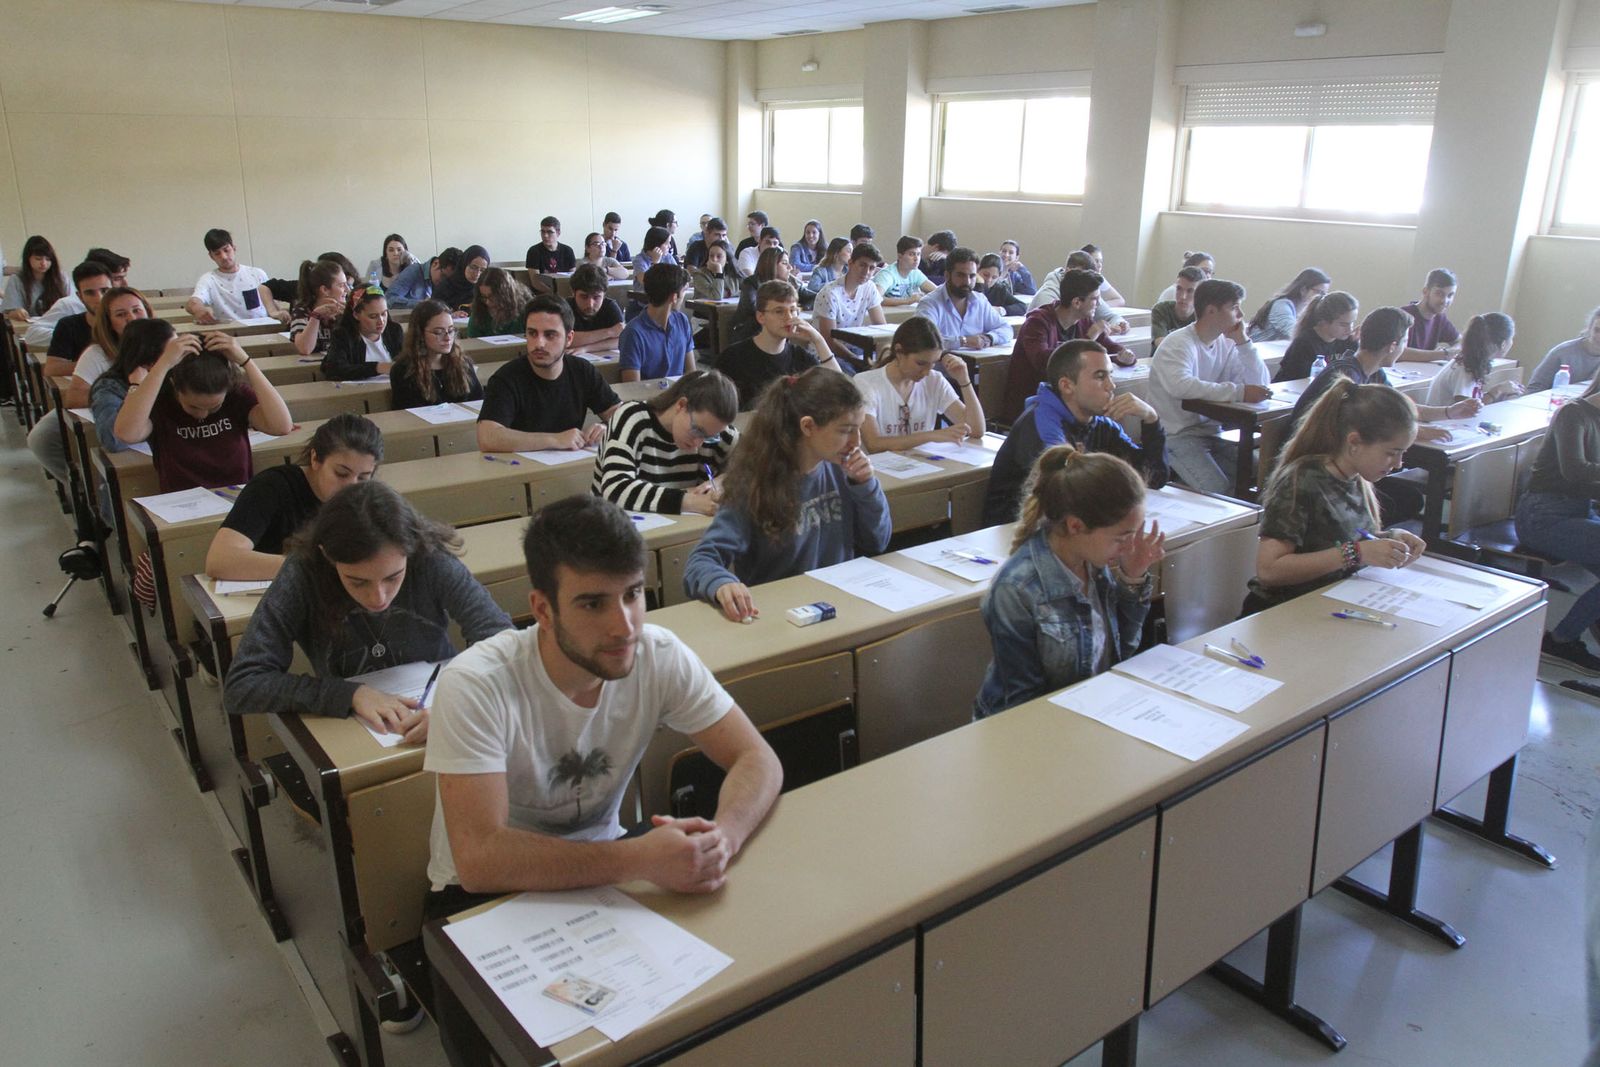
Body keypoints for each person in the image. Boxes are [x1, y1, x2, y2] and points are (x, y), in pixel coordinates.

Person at [422, 494, 781, 1065]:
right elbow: (480, 858)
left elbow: (757, 759)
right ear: (543, 609)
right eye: (593, 603)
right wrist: (639, 859)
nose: (624, 625)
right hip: (482, 898)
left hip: (605, 869)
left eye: (633, 594)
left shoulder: (657, 654)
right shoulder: (477, 684)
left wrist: (724, 839)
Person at [224, 479, 512, 746]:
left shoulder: (429, 557)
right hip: (352, 728)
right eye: (358, 581)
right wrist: (349, 694)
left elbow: (505, 644)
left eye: (393, 577)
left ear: (410, 550)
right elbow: (242, 685)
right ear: (327, 555)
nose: (378, 597)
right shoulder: (302, 572)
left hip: (437, 708)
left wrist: (460, 705)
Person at [683, 369, 891, 621]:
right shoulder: (756, 485)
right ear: (808, 426)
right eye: (845, 430)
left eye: (858, 429)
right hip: (782, 616)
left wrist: (866, 487)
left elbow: (877, 542)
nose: (856, 442)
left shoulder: (844, 471)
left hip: (838, 605)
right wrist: (722, 583)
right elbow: (701, 560)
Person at [973, 449, 1165, 719]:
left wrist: (1132, 576)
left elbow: (1120, 652)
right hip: (1035, 725)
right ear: (1076, 526)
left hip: (1089, 710)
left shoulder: (1093, 564)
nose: (1129, 547)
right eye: (1122, 538)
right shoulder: (1016, 589)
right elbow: (1022, 707)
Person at [1243, 381, 1427, 614]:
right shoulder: (1301, 480)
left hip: (1327, 602)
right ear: (1354, 442)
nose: (1399, 464)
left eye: (1402, 453)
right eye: (1391, 453)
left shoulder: (1355, 477)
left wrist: (1389, 540)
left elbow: (1339, 539)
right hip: (1281, 610)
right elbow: (1270, 570)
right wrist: (1357, 553)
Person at [984, 340, 1168, 526]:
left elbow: (1155, 478)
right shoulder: (1040, 424)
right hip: (1016, 529)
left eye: (1110, 375)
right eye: (1100, 376)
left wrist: (1151, 419)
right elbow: (1065, 494)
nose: (1111, 386)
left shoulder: (1102, 425)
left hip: (1070, 524)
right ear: (1067, 386)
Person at [205, 414, 384, 580]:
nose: (351, 486)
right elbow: (219, 560)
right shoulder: (271, 487)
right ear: (315, 459)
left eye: (363, 478)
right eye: (341, 473)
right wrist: (316, 567)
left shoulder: (367, 499)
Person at [1149, 278, 1272, 495]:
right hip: (1176, 435)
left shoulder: (1228, 342)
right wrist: (1239, 392)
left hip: (1212, 432)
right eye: (1234, 308)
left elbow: (1259, 385)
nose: (1241, 314)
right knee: (1219, 490)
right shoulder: (1178, 343)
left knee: (1262, 474)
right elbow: (1181, 386)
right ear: (1211, 311)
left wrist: (1244, 343)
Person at [1514, 375, 1600, 674]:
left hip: (1578, 510)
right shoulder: (1573, 413)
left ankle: (1566, 637)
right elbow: (1575, 471)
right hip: (1543, 516)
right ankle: (1560, 640)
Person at [1291, 305, 1479, 436]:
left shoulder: (1375, 372)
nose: (1404, 349)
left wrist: (1449, 412)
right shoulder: (1347, 376)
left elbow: (1402, 408)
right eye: (1404, 342)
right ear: (1392, 346)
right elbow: (1359, 428)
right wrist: (1417, 432)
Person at [476, 294, 621, 453]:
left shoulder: (583, 371)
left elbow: (621, 414)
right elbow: (488, 437)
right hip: (520, 465)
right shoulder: (506, 378)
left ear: (569, 338)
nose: (539, 343)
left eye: (550, 335)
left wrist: (606, 427)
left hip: (569, 463)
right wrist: (555, 439)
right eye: (532, 333)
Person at [594, 370, 739, 516]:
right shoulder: (632, 418)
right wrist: (688, 501)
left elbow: (753, 465)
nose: (698, 443)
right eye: (697, 430)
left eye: (710, 437)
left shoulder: (714, 429)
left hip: (682, 527)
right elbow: (615, 489)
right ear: (681, 405)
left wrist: (724, 481)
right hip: (612, 523)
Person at [1002, 268, 1127, 425]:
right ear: (1076, 302)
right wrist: (1089, 338)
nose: (1099, 304)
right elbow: (1043, 362)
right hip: (1034, 404)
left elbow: (1110, 348)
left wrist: (1125, 355)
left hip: (1069, 401)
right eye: (1095, 299)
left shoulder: (1084, 321)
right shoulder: (1037, 322)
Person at [855, 316, 983, 452]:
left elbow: (976, 430)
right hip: (878, 465)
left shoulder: (934, 380)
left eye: (933, 364)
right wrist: (932, 436)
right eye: (921, 363)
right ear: (899, 352)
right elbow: (874, 444)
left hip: (919, 462)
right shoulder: (866, 383)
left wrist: (964, 381)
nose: (927, 372)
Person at [717, 280, 838, 409]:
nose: (789, 317)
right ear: (761, 317)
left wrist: (818, 340)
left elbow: (839, 390)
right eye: (779, 311)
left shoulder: (802, 358)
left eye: (793, 310)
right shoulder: (732, 358)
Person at [915, 247, 1014, 355]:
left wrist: (989, 338)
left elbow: (1006, 329)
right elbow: (926, 340)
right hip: (942, 364)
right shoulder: (930, 303)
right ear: (947, 275)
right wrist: (964, 341)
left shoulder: (980, 301)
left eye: (972, 276)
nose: (967, 282)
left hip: (976, 363)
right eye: (961, 275)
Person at [391, 299, 484, 409]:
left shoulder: (463, 363)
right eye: (438, 332)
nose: (447, 338)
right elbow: (406, 413)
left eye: (451, 330)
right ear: (420, 334)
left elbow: (478, 402)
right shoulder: (404, 370)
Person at [185, 228, 286, 325]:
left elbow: (274, 305)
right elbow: (193, 302)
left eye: (226, 250)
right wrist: (199, 309)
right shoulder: (208, 279)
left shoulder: (257, 274)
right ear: (211, 256)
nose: (224, 257)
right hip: (229, 333)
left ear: (234, 248)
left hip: (264, 330)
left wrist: (280, 313)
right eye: (217, 253)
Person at [813, 243, 888, 371]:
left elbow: (882, 328)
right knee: (851, 374)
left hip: (854, 347)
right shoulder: (830, 294)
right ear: (851, 263)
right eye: (862, 265)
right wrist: (856, 360)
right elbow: (829, 340)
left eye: (871, 268)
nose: (866, 272)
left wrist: (884, 360)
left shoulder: (869, 288)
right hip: (825, 352)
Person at [1425, 312, 1523, 406]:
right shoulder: (1464, 368)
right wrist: (1497, 391)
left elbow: (1473, 401)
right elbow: (1466, 409)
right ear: (1503, 344)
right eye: (1511, 339)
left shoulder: (1473, 361)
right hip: (1444, 418)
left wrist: (1500, 395)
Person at [619, 263, 696, 382]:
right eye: (684, 291)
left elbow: (691, 374)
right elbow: (632, 387)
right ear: (674, 297)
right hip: (647, 393)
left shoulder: (682, 321)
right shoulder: (633, 333)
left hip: (679, 392)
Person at [24, 253, 119, 349]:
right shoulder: (68, 305)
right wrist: (72, 336)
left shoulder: (125, 306)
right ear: (79, 296)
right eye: (90, 293)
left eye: (105, 291)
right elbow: (32, 335)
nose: (99, 298)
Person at [1027, 250, 1128, 332]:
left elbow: (1110, 316)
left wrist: (1119, 324)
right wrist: (1092, 334)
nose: (1086, 283)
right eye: (1083, 278)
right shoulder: (1047, 296)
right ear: (1069, 272)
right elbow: (1057, 332)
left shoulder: (1087, 291)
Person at [1275, 291, 1359, 382]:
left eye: (1352, 323)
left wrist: (1360, 346)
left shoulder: (1348, 341)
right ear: (1324, 322)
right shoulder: (1304, 343)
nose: (1350, 329)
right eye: (1343, 324)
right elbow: (1302, 379)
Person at [322, 287, 404, 381]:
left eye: (384, 314)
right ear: (356, 315)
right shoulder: (343, 335)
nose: (381, 321)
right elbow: (335, 370)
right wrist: (378, 367)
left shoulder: (394, 330)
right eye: (373, 316)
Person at [1247, 267, 1331, 343]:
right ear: (1303, 289)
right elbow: (1294, 332)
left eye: (1324, 294)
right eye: (1319, 292)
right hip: (1258, 351)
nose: (1321, 297)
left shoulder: (1304, 309)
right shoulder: (1281, 306)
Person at [289, 259, 352, 359]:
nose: (347, 290)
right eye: (341, 285)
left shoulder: (349, 310)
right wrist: (315, 316)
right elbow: (305, 349)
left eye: (346, 284)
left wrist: (350, 318)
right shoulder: (302, 311)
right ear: (325, 290)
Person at [1528, 306, 1600, 392]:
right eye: (1597, 330)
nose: (1599, 337)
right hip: (1555, 399)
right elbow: (1534, 388)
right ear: (1589, 328)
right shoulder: (1563, 353)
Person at [2, 235, 69, 322]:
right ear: (28, 259)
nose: (43, 263)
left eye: (48, 259)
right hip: (29, 326)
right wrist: (16, 312)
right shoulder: (16, 280)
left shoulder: (61, 277)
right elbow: (8, 312)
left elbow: (72, 303)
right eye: (38, 259)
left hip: (59, 324)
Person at [1400, 268, 1461, 359]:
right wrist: (1443, 354)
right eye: (1439, 294)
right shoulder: (1403, 316)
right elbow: (1398, 352)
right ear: (1425, 292)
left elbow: (1460, 342)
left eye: (1450, 295)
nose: (1445, 301)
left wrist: (1450, 351)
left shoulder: (1440, 318)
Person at [566, 263, 626, 354]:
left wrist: (586, 348)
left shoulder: (610, 306)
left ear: (604, 295)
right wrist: (609, 332)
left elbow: (621, 340)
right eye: (584, 297)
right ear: (573, 293)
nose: (590, 304)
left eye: (596, 297)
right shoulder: (565, 307)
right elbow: (564, 339)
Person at [466, 266, 532, 339]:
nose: (488, 302)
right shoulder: (479, 311)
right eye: (484, 297)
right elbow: (472, 341)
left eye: (492, 297)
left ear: (505, 294)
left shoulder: (526, 309)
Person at [386, 247, 459, 309]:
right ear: (436, 264)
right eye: (443, 276)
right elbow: (389, 299)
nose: (445, 282)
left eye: (449, 279)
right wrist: (421, 304)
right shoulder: (414, 271)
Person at [873, 236, 935, 307]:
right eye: (911, 254)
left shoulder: (915, 273)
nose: (916, 258)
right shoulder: (887, 274)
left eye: (918, 254)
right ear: (900, 256)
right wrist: (908, 301)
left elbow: (937, 291)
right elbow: (875, 299)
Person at [1150, 266, 1203, 347]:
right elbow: (1161, 344)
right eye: (1179, 289)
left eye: (1190, 291)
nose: (1183, 296)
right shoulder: (1161, 309)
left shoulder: (1203, 316)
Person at [436, 245, 488, 312]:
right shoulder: (443, 289)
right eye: (473, 267)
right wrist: (451, 315)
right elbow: (433, 314)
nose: (477, 274)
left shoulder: (485, 289)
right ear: (464, 263)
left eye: (482, 270)